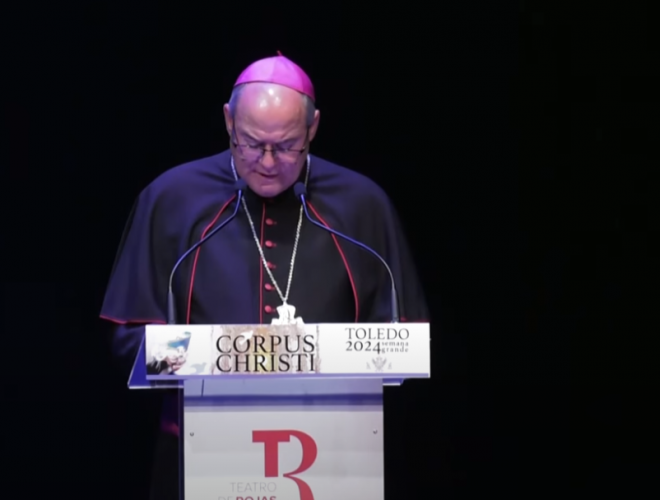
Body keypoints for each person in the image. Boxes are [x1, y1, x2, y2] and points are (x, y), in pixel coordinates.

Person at [99, 52, 429, 500]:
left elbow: (402, 340)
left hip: (337, 454)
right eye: (252, 144)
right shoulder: (171, 199)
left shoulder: (362, 205)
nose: (269, 162)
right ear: (229, 123)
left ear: (312, 129)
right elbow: (128, 340)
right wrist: (219, 354)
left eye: (288, 145)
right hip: (201, 454)